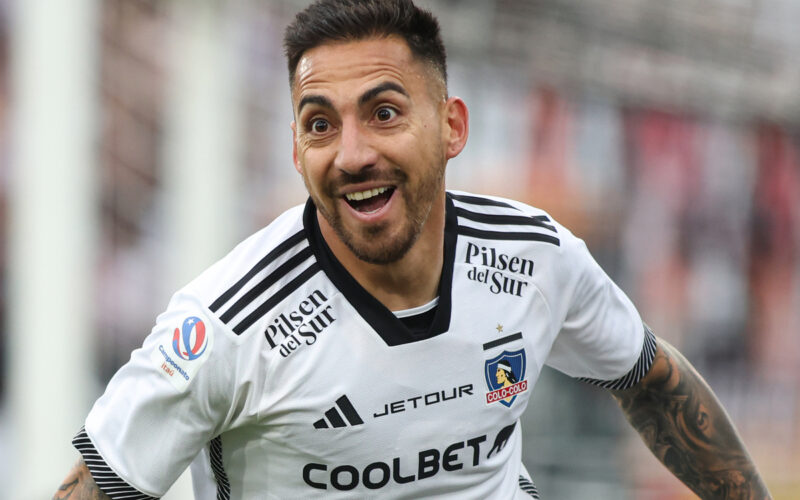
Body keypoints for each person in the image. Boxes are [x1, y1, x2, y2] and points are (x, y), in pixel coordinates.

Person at [55, 0, 771, 498]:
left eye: (384, 112)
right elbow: (101, 487)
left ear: (452, 127)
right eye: (319, 124)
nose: (352, 153)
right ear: (297, 150)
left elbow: (651, 378)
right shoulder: (226, 325)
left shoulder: (536, 260)